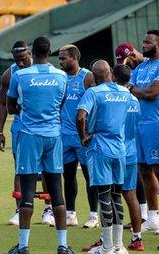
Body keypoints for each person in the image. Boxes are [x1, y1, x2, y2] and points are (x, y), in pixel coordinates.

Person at [5, 37, 72, 254]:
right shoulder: (62, 76)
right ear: (50, 52)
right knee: (56, 190)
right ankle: (62, 245)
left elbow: (11, 105)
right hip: (53, 135)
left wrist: (25, 108)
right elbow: (61, 104)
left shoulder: (20, 75)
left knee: (26, 190)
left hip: (29, 136)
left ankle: (23, 246)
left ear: (33, 52)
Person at [76, 60, 138, 254]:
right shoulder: (126, 93)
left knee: (103, 197)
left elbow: (80, 116)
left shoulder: (93, 92)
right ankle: (119, 246)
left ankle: (107, 247)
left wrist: (83, 136)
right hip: (120, 149)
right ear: (110, 72)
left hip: (100, 148)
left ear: (94, 77)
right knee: (117, 197)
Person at [0, 41, 55, 227]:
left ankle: (48, 209)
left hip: (46, 127)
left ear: (30, 53)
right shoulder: (9, 74)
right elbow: (4, 104)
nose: (20, 63)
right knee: (20, 168)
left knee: (46, 168)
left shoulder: (49, 71)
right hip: (21, 126)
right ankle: (19, 209)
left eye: (22, 59)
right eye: (16, 60)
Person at [128, 30, 159, 237]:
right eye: (144, 41)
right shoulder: (142, 67)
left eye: (147, 43)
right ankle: (154, 218)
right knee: (144, 171)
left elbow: (151, 93)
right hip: (139, 124)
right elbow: (132, 89)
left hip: (157, 125)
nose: (144, 45)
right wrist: (133, 87)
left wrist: (132, 87)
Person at [58, 45, 98, 228]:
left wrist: (91, 130)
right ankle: (71, 214)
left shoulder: (87, 77)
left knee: (90, 176)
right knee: (68, 175)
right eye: (59, 58)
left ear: (74, 58)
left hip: (83, 136)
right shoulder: (59, 78)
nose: (60, 62)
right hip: (64, 136)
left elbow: (97, 104)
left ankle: (93, 215)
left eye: (63, 58)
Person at [115, 64, 145, 251]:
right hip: (131, 152)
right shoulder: (135, 100)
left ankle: (109, 240)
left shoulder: (113, 98)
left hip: (114, 150)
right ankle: (137, 239)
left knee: (109, 195)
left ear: (113, 76)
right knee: (131, 196)